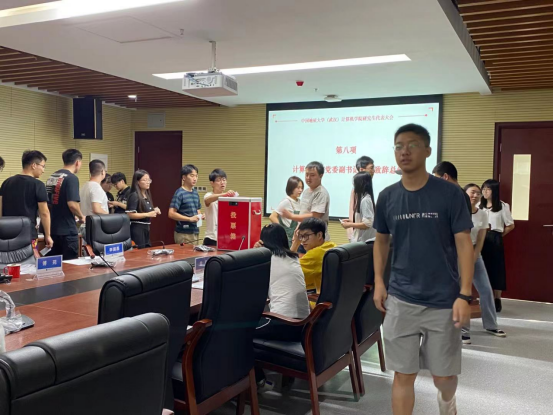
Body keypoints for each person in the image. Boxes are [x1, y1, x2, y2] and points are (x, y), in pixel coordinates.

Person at [373, 124, 474, 416]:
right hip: (401, 298)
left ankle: (447, 402)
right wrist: (379, 281)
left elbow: (464, 244)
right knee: (403, 374)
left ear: (428, 150)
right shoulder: (388, 196)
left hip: (443, 300)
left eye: (413, 145)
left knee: (443, 377)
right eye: (399, 146)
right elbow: (381, 241)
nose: (404, 151)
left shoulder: (449, 194)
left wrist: (464, 295)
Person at [462, 184, 506, 345]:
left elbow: (481, 237)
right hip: (458, 254)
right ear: (464, 194)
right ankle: (463, 331)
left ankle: (491, 325)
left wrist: (475, 255)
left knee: (486, 290)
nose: (475, 196)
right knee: (462, 293)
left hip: (475, 253)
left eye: (478, 193)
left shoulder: (482, 214)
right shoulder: (458, 211)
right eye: (472, 192)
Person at [254, 224, 311, 341]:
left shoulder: (267, 260)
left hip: (283, 324)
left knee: (241, 330)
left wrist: (257, 253)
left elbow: (254, 292)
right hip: (304, 325)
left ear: (262, 241)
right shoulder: (294, 257)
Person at [0, 150, 53, 248]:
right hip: (28, 234)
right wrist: (48, 235)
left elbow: (0, 209)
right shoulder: (38, 185)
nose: (43, 170)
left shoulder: (6, 183)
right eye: (43, 166)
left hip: (7, 234)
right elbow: (44, 213)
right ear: (34, 165)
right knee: (29, 257)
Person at [480, 179, 515, 313]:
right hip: (480, 238)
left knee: (497, 269)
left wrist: (498, 236)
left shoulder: (502, 206)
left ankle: (497, 299)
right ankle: (484, 298)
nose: (485, 192)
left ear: (494, 191)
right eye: (483, 189)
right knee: (481, 268)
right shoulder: (479, 205)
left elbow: (510, 225)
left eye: (488, 189)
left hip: (494, 237)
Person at [46, 149, 86, 260]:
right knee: (70, 266)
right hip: (67, 231)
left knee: (54, 265)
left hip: (53, 229)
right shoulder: (72, 178)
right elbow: (72, 204)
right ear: (77, 162)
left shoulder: (52, 177)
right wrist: (81, 216)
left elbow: (48, 203)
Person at [281, 162, 331, 247]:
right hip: (303, 238)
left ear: (321, 176)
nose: (308, 178)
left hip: (316, 240)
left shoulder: (321, 193)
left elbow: (315, 216)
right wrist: (297, 230)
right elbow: (303, 213)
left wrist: (292, 216)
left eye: (312, 175)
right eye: (307, 175)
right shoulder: (306, 192)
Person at [290, 218, 336, 293]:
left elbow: (289, 273)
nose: (303, 240)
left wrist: (295, 243)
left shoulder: (315, 254)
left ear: (319, 235)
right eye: (301, 236)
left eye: (306, 235)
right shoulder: (331, 245)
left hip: (321, 298)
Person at [169, 165, 204, 245]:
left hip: (195, 231)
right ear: (184, 177)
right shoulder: (179, 193)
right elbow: (171, 213)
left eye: (196, 176)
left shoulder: (195, 192)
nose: (195, 178)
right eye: (192, 175)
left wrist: (200, 216)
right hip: (184, 233)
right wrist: (189, 219)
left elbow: (197, 209)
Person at [126, 170, 161, 249]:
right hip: (137, 228)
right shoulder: (134, 195)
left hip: (146, 227)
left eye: (149, 180)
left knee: (147, 249)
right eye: (144, 180)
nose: (148, 182)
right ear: (137, 182)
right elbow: (130, 214)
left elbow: (142, 209)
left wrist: (154, 209)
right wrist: (148, 214)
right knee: (140, 250)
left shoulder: (146, 194)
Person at [203, 169, 237, 247]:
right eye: (218, 180)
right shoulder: (208, 195)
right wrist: (225, 194)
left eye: (224, 180)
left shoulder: (228, 198)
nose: (222, 182)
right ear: (212, 183)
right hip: (212, 238)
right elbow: (207, 200)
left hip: (226, 239)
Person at [341, 172, 377, 242]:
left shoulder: (365, 200)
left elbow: (367, 224)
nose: (353, 186)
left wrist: (350, 225)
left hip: (364, 241)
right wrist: (352, 222)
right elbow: (365, 220)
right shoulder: (364, 198)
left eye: (355, 183)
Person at [269, 176, 304, 246]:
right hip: (288, 238)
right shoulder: (286, 201)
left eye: (302, 188)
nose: (300, 190)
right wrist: (282, 231)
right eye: (298, 188)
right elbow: (272, 216)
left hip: (296, 237)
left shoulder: (299, 202)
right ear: (291, 188)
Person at [348, 156, 375, 241]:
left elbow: (368, 222)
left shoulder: (366, 196)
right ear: (362, 170)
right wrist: (350, 228)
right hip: (359, 236)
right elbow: (352, 209)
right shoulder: (356, 191)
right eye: (371, 168)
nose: (373, 171)